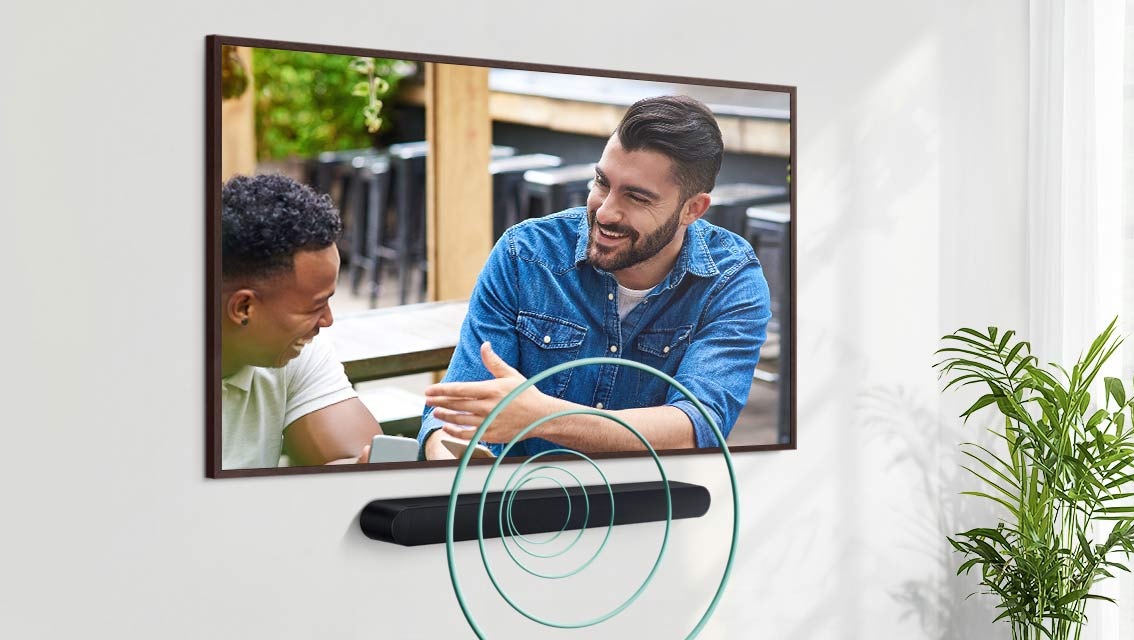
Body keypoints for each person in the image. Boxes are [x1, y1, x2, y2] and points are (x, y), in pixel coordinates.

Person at [420, 95, 771, 460]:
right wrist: (451, 463)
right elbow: (457, 415)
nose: (605, 212)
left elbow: (697, 429)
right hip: (514, 505)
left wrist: (544, 418)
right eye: (602, 182)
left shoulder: (729, 281)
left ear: (692, 209)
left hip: (654, 506)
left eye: (636, 197)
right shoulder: (525, 255)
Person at [219, 174, 382, 469]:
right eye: (316, 306)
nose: (328, 321)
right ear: (244, 307)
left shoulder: (294, 350)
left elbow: (362, 457)